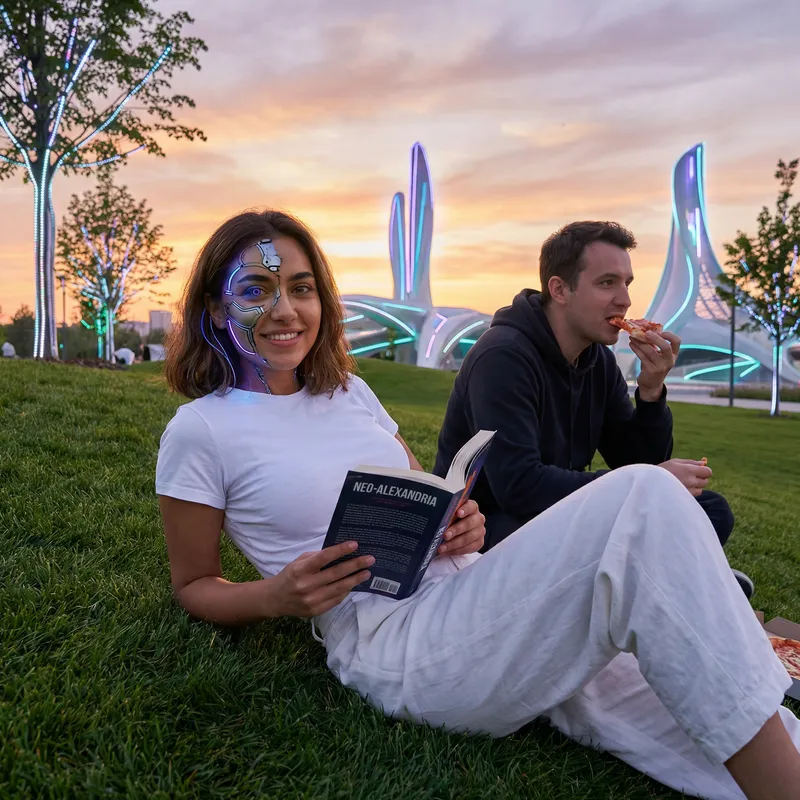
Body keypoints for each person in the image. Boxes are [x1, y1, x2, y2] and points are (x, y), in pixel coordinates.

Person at [156, 209, 800, 800]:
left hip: (473, 589)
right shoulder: (202, 431)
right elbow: (193, 585)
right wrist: (276, 598)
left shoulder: (348, 392)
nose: (285, 310)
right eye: (255, 290)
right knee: (646, 495)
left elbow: (419, 493)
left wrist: (457, 523)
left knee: (668, 687)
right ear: (216, 308)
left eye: (301, 288)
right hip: (392, 644)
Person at [433, 220, 754, 597]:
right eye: (607, 283)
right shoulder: (503, 357)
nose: (625, 299)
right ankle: (675, 580)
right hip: (489, 530)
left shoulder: (597, 360)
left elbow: (636, 459)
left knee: (707, 509)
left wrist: (651, 393)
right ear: (559, 289)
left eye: (627, 283)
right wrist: (646, 484)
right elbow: (519, 488)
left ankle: (661, 580)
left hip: (561, 516)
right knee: (655, 510)